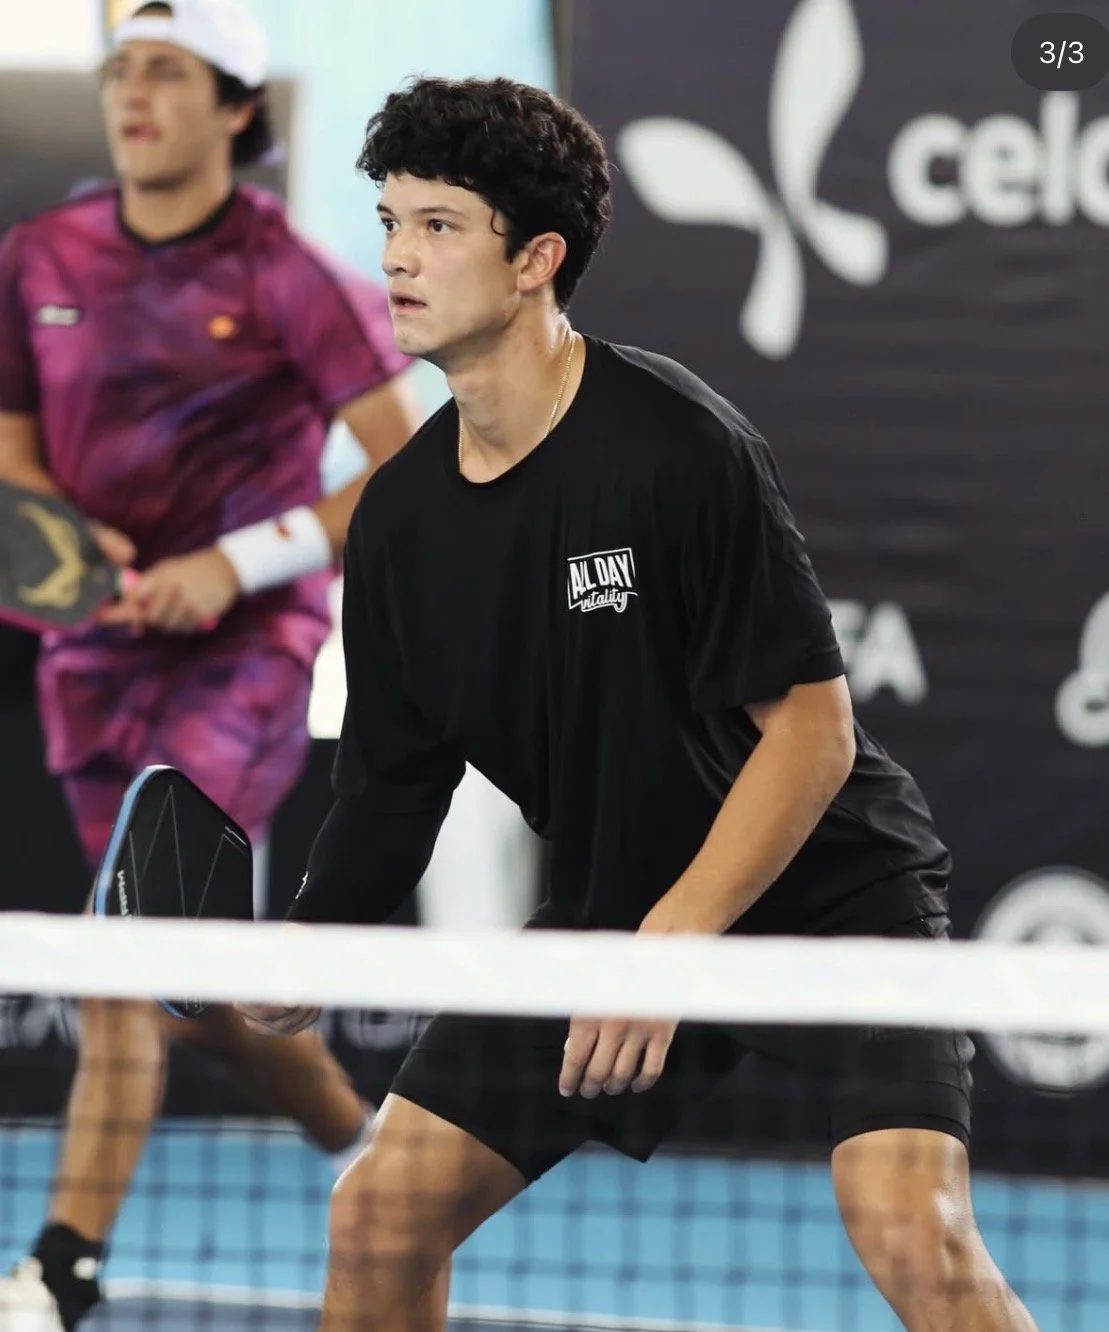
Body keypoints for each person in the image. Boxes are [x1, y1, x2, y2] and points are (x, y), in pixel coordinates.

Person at [246, 76, 1040, 1332]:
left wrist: (664, 951)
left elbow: (812, 730)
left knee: (917, 1236)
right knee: (380, 1210)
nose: (396, 255)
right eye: (390, 219)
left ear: (534, 260)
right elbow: (395, 786)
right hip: (614, 914)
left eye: (439, 225)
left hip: (832, 909)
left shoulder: (674, 447)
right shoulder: (397, 520)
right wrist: (308, 933)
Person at [0, 2, 422, 1328]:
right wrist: (67, 537)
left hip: (242, 658)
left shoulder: (289, 269)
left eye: (168, 72)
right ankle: (364, 1141)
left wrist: (235, 565)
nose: (135, 94)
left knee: (127, 940)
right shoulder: (39, 254)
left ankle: (60, 1266)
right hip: (93, 657)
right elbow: (9, 453)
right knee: (199, 981)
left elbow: (405, 474)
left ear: (237, 106)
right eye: (123, 70)